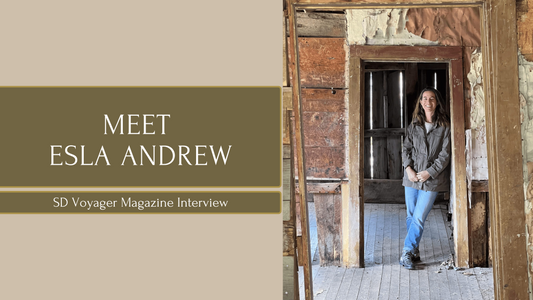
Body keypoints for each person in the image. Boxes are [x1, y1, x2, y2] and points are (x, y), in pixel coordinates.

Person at [399, 87, 451, 270]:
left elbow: (445, 155)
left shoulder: (445, 126)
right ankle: (415, 251)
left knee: (419, 216)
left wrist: (430, 172)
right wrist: (408, 169)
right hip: (412, 178)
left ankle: (406, 251)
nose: (428, 102)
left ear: (437, 102)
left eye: (432, 99)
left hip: (432, 179)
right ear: (420, 102)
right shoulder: (414, 125)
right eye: (425, 99)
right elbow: (405, 148)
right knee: (411, 215)